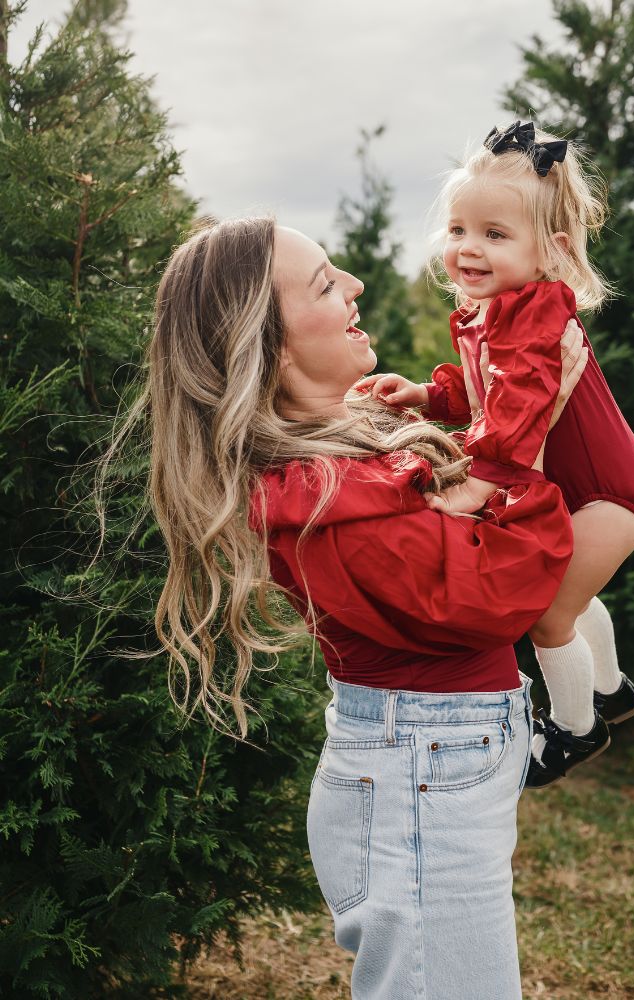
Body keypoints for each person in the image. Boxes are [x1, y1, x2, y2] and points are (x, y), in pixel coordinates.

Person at [139, 214, 587, 998]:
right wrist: (533, 430)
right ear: (272, 346)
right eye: (323, 283)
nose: (354, 287)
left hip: (427, 769)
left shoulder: (348, 457)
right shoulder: (315, 504)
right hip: (421, 777)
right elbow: (497, 594)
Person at [358, 120, 634, 787]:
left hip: (607, 492)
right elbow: (480, 391)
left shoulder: (537, 313)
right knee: (569, 595)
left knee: (549, 611)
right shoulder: (491, 310)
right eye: (460, 230)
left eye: (495, 235)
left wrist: (485, 479)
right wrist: (423, 394)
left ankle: (576, 731)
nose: (469, 248)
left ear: (550, 253)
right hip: (584, 489)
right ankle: (611, 690)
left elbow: (520, 398)